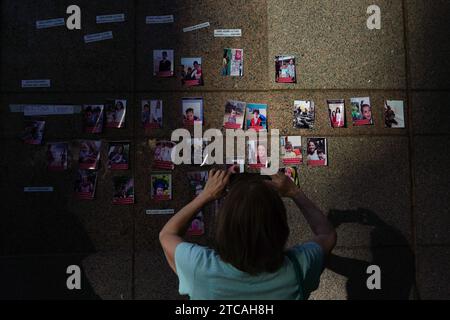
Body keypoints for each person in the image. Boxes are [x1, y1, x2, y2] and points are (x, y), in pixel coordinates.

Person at [159, 169, 337, 299]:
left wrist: (205, 195)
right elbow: (327, 234)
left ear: (224, 228)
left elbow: (167, 234)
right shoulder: (299, 267)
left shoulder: (200, 268)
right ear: (281, 229)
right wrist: (294, 192)